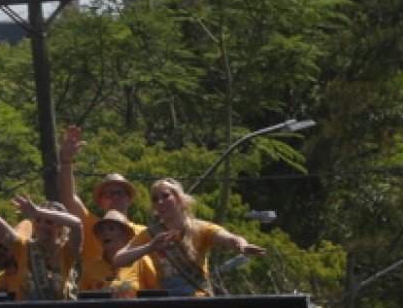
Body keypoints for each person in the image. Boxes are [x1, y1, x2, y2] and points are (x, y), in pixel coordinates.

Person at [0, 165, 82, 301]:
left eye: (49, 222)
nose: (42, 225)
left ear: (60, 228)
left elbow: (76, 224)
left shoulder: (66, 252)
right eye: (38, 221)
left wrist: (38, 212)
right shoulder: (24, 247)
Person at [112, 179, 264, 297]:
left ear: (179, 199)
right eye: (155, 199)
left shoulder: (201, 228)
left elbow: (228, 238)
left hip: (198, 301)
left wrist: (242, 245)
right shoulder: (151, 234)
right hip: (169, 305)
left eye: (166, 196)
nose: (160, 202)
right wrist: (149, 247)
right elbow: (119, 259)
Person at [56, 125, 150, 275]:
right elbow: (68, 198)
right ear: (100, 201)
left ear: (129, 199)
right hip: (96, 293)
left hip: (132, 295)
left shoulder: (144, 232)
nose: (115, 197)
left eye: (120, 193)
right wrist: (66, 162)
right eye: (109, 194)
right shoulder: (91, 226)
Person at [79, 211, 158, 297]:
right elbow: (81, 302)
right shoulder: (90, 270)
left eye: (111, 229)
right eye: (101, 230)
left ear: (125, 235)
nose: (105, 233)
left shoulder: (142, 261)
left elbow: (158, 292)